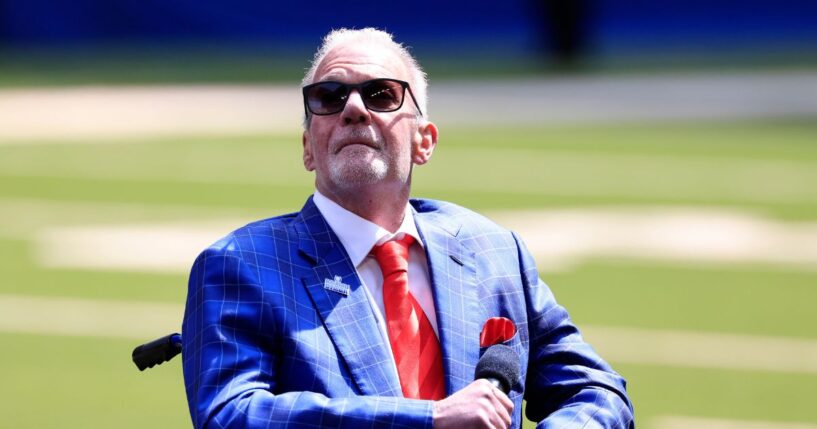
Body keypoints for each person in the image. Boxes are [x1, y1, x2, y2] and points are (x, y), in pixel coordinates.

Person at [182, 28, 634, 429]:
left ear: (425, 141)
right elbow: (232, 414)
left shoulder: (494, 250)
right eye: (329, 96)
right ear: (307, 148)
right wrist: (430, 420)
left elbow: (598, 392)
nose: (354, 108)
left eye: (381, 94)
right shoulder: (242, 263)